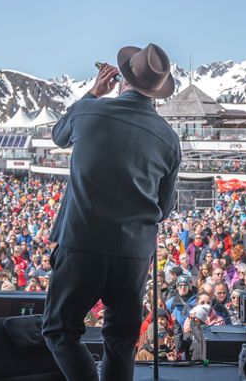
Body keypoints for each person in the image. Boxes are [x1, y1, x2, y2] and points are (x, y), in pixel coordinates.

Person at [42, 43, 180, 381]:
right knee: (121, 341)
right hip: (132, 254)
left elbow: (59, 135)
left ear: (122, 79)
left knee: (59, 330)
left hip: (81, 243)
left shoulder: (88, 112)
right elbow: (162, 209)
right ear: (155, 93)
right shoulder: (168, 138)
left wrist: (93, 92)